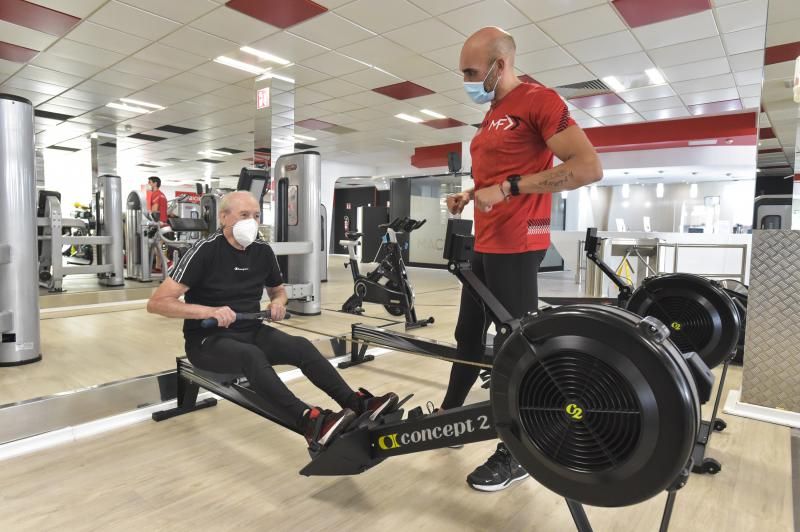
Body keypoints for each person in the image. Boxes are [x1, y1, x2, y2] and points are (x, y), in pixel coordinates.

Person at [443, 27, 603, 492]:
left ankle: (519, 451)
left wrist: (511, 187)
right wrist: (470, 194)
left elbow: (587, 167)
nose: (468, 80)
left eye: (473, 72)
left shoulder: (538, 100)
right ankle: (450, 417)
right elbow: (496, 178)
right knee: (467, 335)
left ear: (500, 65)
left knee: (518, 350)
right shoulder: (494, 112)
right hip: (487, 241)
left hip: (519, 242)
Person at [147, 191, 399, 448]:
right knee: (251, 356)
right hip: (207, 339)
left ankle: (355, 402)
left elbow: (278, 291)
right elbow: (157, 303)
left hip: (251, 329)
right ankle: (311, 422)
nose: (252, 222)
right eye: (244, 215)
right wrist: (208, 312)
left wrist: (278, 303)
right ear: (223, 217)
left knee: (301, 345)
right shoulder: (204, 251)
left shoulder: (262, 251)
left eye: (256, 216)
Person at [148, 176, 169, 273]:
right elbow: (165, 210)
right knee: (161, 245)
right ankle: (158, 267)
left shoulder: (155, 194)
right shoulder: (163, 195)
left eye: (150, 182)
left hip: (159, 223)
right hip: (165, 223)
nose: (149, 184)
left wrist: (151, 221)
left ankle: (168, 262)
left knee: (156, 246)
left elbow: (155, 210)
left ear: (155, 183)